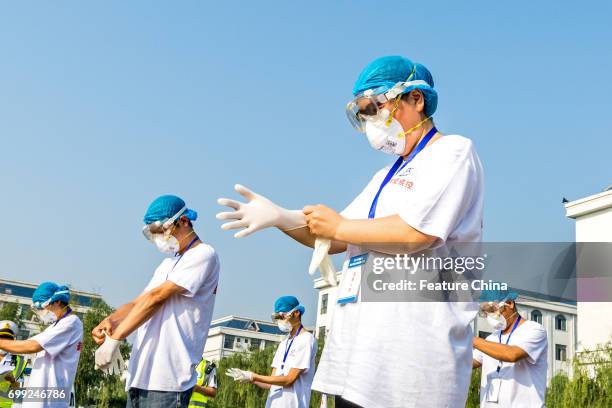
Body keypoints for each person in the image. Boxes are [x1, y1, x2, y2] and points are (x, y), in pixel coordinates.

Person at [217, 55, 484, 407]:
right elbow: (335, 239)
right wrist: (281, 217)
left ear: (416, 100)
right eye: (363, 114)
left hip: (412, 365)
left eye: (375, 107)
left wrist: (340, 225)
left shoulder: (452, 152)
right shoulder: (383, 178)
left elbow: (418, 233)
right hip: (360, 364)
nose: (370, 120)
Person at [92, 195, 220, 408]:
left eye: (162, 231)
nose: (159, 238)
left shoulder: (203, 255)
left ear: (184, 221)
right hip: (140, 375)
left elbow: (156, 298)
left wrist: (116, 339)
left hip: (169, 381)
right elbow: (139, 302)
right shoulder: (167, 264)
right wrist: (111, 321)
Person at [0, 283, 83, 408]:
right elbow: (24, 344)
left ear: (58, 301)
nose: (41, 313)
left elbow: (31, 346)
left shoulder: (71, 323)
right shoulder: (55, 326)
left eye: (42, 308)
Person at [226, 296, 317, 408]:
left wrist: (254, 376)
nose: (280, 321)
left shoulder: (306, 339)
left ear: (297, 312)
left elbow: (289, 380)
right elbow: (271, 382)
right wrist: (248, 376)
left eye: (282, 316)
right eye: (277, 318)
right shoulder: (284, 343)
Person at [473, 289, 548, 407]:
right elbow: (467, 363)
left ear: (510, 303)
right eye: (485, 312)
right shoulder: (491, 339)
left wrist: (471, 339)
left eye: (492, 310)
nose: (489, 316)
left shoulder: (534, 330)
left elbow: (512, 354)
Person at [0, 321, 27, 408]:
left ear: (13, 341)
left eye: (8, 339)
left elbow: (17, 390)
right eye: (2, 338)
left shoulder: (19, 361)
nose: (5, 342)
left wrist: (12, 381)